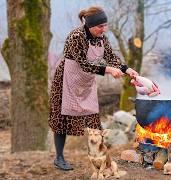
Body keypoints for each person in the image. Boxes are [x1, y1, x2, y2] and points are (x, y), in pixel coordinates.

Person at [48, 6, 138, 170]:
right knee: (62, 121)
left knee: (93, 121)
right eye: (100, 26)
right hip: (66, 81)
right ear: (89, 26)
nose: (104, 29)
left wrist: (127, 69)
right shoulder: (76, 36)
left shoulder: (102, 38)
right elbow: (84, 64)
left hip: (86, 82)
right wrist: (108, 70)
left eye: (105, 25)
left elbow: (111, 57)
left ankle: (100, 157)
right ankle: (59, 158)